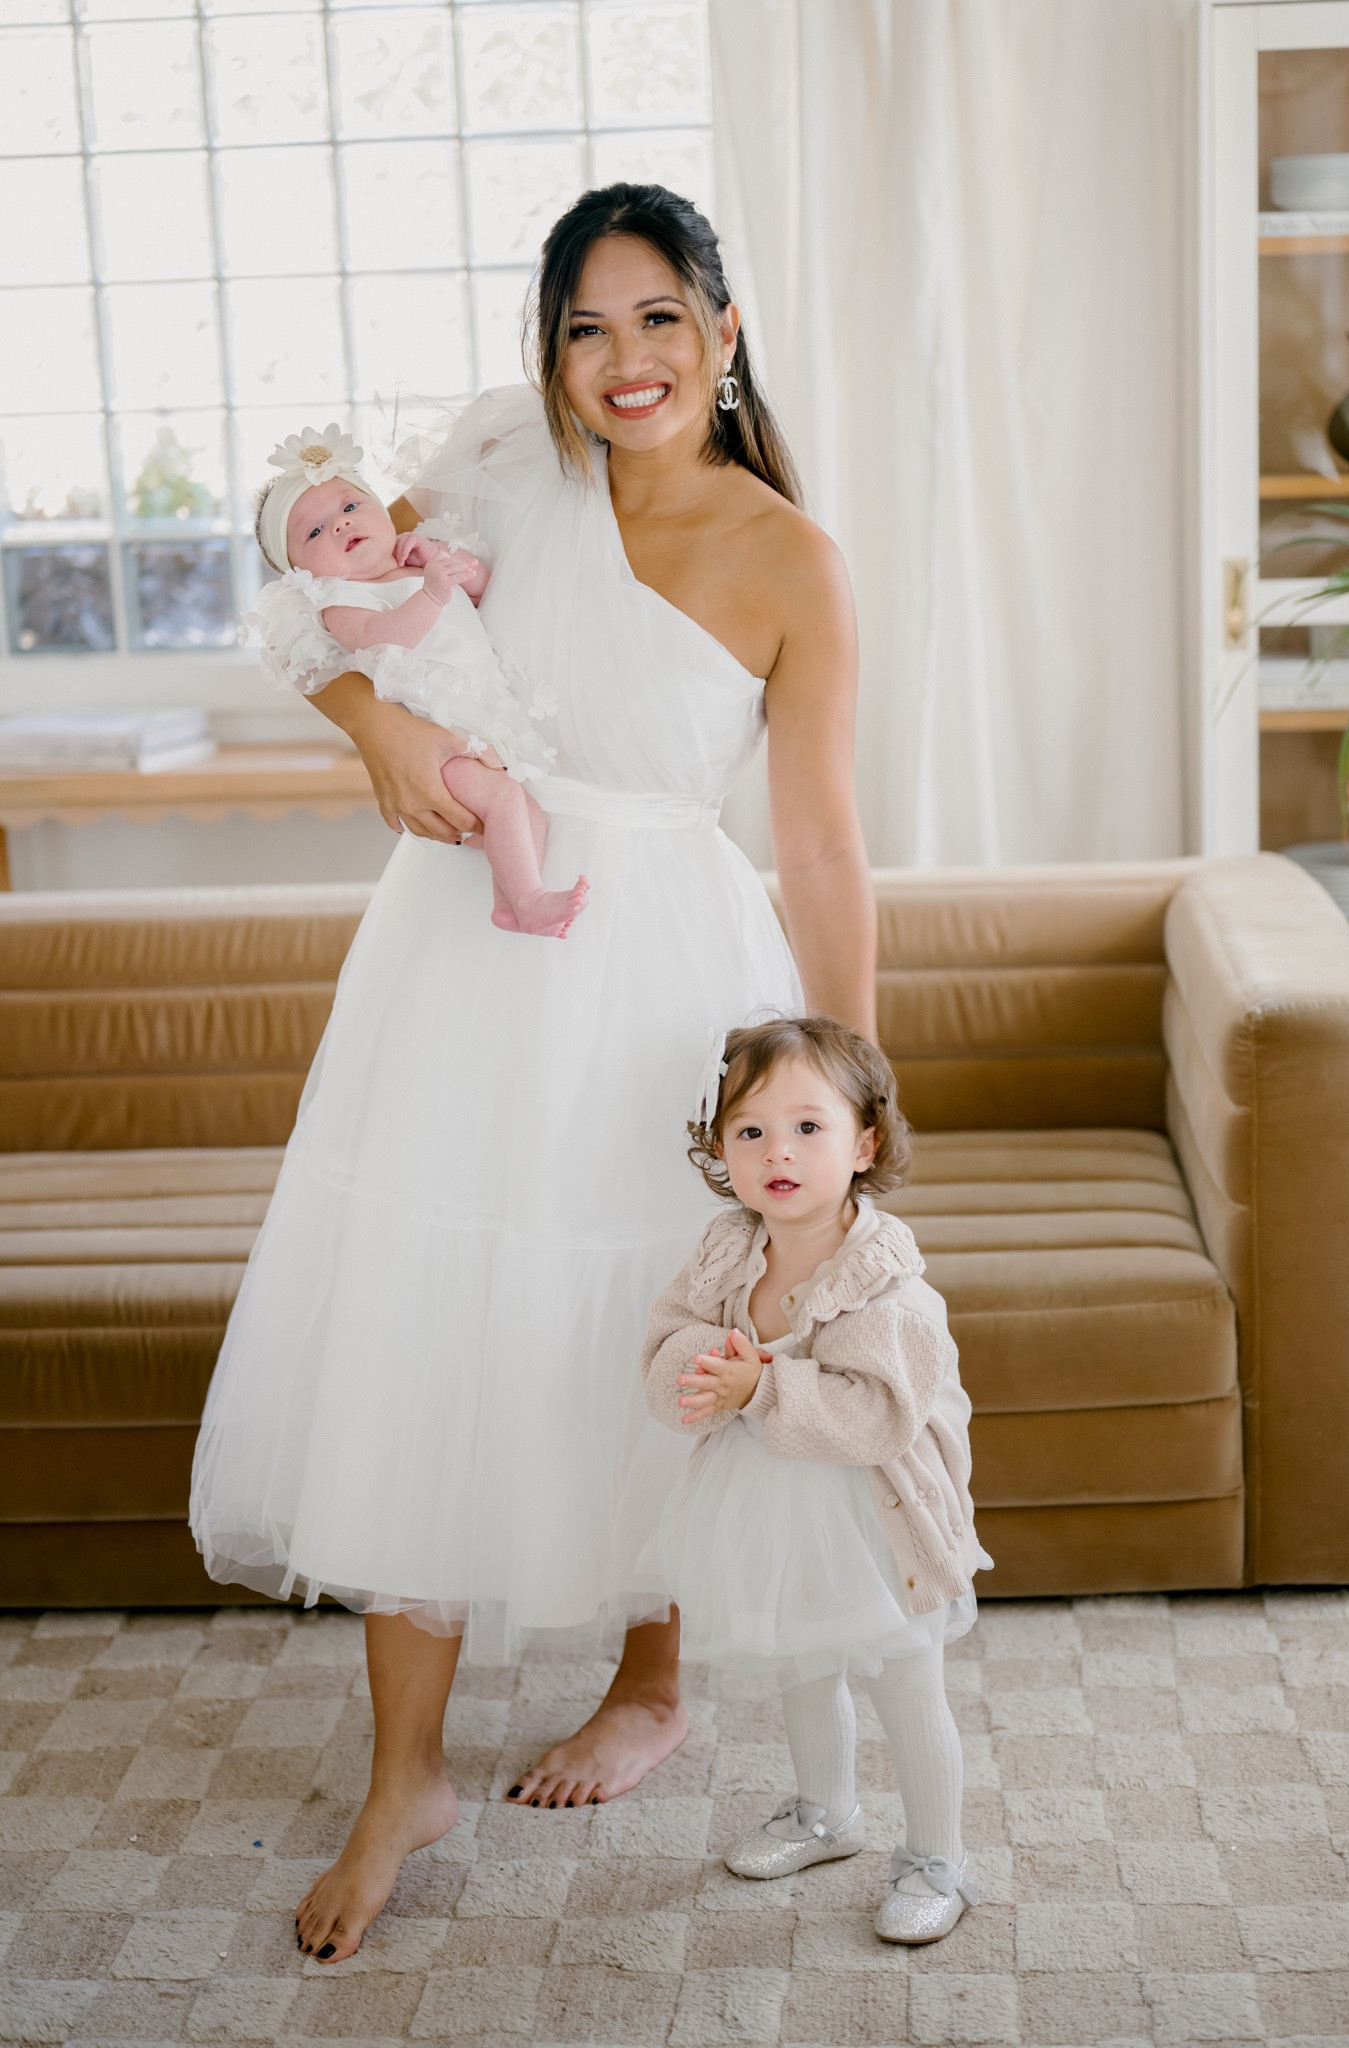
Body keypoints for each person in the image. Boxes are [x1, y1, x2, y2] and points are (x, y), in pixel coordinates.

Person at [189, 181, 875, 1965]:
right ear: (548, 354)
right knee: (434, 1324)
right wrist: (383, 730)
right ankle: (400, 1772)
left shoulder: (793, 555)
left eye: (660, 319)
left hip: (673, 970)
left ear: (725, 333)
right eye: (587, 325)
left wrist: (848, 1089)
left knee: (658, 1320)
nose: (623, 358)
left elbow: (819, 848)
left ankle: (651, 1684)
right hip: (466, 960)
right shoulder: (500, 468)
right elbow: (315, 609)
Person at [640, 1014, 988, 1945]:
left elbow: (877, 1415)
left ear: (863, 1141)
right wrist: (700, 1362)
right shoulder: (726, 1250)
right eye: (748, 1131)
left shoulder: (888, 1288)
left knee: (905, 1682)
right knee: (802, 1664)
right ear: (719, 1148)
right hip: (767, 1507)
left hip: (875, 1518)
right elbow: (667, 1334)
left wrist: (762, 1384)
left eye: (807, 1127)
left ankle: (936, 1862)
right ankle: (826, 1813)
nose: (776, 1152)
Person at [249, 424, 588, 939]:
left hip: (480, 723)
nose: (339, 527)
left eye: (349, 508)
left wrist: (439, 563)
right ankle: (529, 899)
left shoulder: (413, 566)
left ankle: (511, 903)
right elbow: (385, 638)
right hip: (441, 741)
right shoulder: (342, 605)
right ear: (301, 573)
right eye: (314, 533)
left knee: (527, 814)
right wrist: (429, 594)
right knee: (508, 804)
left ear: (380, 509)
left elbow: (484, 592)